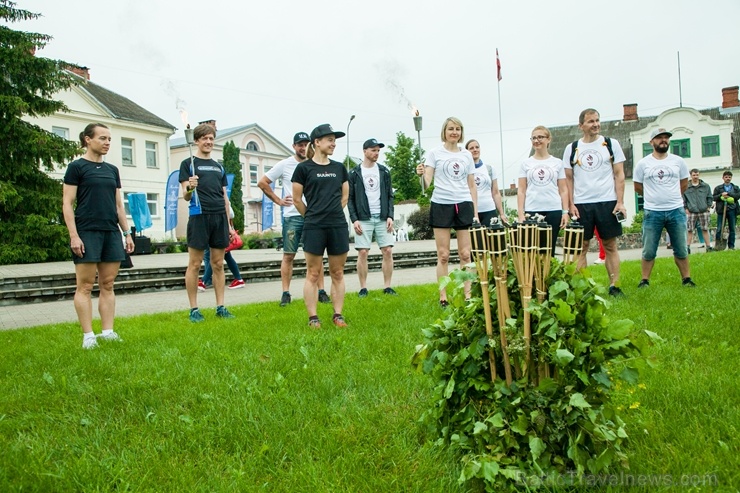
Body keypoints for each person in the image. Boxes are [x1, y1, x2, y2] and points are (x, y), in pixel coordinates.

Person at [62, 123, 135, 349]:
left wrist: (127, 233)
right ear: (87, 139)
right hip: (87, 232)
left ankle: (108, 331)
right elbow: (67, 203)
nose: (107, 143)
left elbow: (118, 205)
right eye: (102, 138)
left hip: (111, 232)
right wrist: (74, 235)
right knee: (84, 286)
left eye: (109, 139)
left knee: (108, 283)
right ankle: (88, 336)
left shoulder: (112, 170)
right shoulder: (76, 167)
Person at [258, 132, 331, 306]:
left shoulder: (315, 164)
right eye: (300, 144)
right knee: (288, 256)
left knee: (316, 256)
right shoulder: (285, 164)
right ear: (294, 146)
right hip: (292, 216)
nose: (303, 147)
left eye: (306, 144)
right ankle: (285, 293)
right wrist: (278, 200)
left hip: (313, 216)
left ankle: (321, 291)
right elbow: (263, 182)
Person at [563, 108, 627, 297]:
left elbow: (619, 175)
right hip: (582, 204)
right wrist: (570, 205)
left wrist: (620, 202)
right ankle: (583, 288)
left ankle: (615, 286)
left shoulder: (611, 144)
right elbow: (568, 179)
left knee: (610, 245)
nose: (596, 124)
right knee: (580, 247)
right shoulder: (572, 147)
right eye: (591, 121)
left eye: (597, 120)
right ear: (581, 125)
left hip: (607, 202)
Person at [416, 117, 478, 308]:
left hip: (463, 203)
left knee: (466, 254)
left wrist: (475, 213)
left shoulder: (466, 155)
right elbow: (426, 183)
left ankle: (467, 294)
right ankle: (443, 295)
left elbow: (472, 185)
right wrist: (420, 175)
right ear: (444, 131)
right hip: (442, 204)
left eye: (458, 129)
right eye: (451, 128)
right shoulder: (434, 153)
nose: (454, 132)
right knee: (443, 254)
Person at [292, 124, 350, 328]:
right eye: (330, 140)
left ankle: (338, 315)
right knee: (313, 273)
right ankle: (313, 317)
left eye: (335, 140)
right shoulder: (303, 168)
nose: (334, 144)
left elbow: (345, 196)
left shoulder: (339, 168)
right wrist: (313, 217)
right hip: (314, 226)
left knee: (338, 272)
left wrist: (331, 212)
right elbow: (297, 199)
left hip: (337, 225)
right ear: (317, 142)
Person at [179, 123, 236, 322]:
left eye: (211, 138)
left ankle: (221, 307)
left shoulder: (218, 166)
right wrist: (190, 188)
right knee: (195, 264)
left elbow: (225, 197)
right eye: (204, 138)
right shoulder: (188, 164)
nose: (209, 142)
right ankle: (194, 309)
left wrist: (229, 224)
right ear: (197, 141)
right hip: (199, 216)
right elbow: (185, 196)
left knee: (218, 263)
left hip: (219, 217)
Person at [633, 128, 694, 287]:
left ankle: (686, 279)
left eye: (666, 137)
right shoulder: (643, 163)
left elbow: (684, 183)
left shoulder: (678, 161)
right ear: (651, 142)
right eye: (659, 138)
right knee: (649, 250)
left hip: (676, 211)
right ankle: (645, 280)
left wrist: (671, 196)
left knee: (681, 248)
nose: (663, 140)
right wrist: (653, 197)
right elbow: (638, 186)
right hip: (653, 212)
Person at [348, 138, 397, 297]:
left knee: (387, 250)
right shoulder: (354, 173)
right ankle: (363, 288)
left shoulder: (384, 171)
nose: (377, 153)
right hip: (363, 217)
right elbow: (350, 198)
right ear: (365, 151)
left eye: (378, 151)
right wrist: (354, 219)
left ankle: (387, 286)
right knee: (362, 252)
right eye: (373, 150)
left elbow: (390, 195)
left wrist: (390, 215)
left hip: (383, 217)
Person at [516, 125, 568, 256]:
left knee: (549, 250)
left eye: (540, 137)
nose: (536, 140)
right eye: (533, 138)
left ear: (548, 139)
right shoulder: (526, 163)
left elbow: (563, 189)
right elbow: (521, 190)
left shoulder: (557, 162)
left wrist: (565, 212)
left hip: (553, 210)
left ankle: (547, 276)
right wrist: (521, 214)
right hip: (532, 210)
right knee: (532, 250)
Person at [465, 139, 505, 226]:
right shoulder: (464, 170)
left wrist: (501, 213)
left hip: (489, 210)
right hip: (471, 212)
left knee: (491, 239)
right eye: (471, 148)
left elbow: (495, 192)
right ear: (466, 152)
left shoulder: (489, 169)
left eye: (477, 147)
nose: (475, 150)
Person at [683, 168, 714, 251]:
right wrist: (685, 208)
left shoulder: (705, 186)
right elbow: (683, 198)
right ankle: (687, 247)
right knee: (689, 230)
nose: (695, 176)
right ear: (691, 175)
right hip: (691, 211)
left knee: (705, 228)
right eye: (694, 175)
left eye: (697, 175)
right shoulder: (686, 187)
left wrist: (708, 206)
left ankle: (708, 246)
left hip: (703, 210)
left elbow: (710, 197)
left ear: (699, 175)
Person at [713, 170, 740, 250]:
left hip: (732, 210)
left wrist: (728, 194)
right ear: (723, 178)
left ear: (731, 178)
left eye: (729, 177)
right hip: (721, 210)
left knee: (732, 228)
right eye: (726, 177)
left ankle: (731, 246)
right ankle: (718, 246)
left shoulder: (735, 188)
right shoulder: (718, 188)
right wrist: (721, 195)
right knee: (719, 228)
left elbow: (738, 196)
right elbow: (714, 197)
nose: (728, 178)